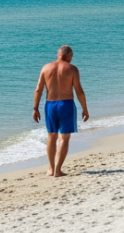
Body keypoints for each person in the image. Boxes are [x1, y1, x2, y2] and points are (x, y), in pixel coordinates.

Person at [32, 45, 90, 177]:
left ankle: (51, 169)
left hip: (50, 105)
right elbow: (79, 90)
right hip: (66, 104)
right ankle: (58, 170)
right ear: (69, 55)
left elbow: (38, 90)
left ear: (58, 54)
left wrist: (35, 108)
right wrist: (85, 108)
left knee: (51, 136)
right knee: (64, 137)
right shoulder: (72, 69)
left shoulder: (46, 68)